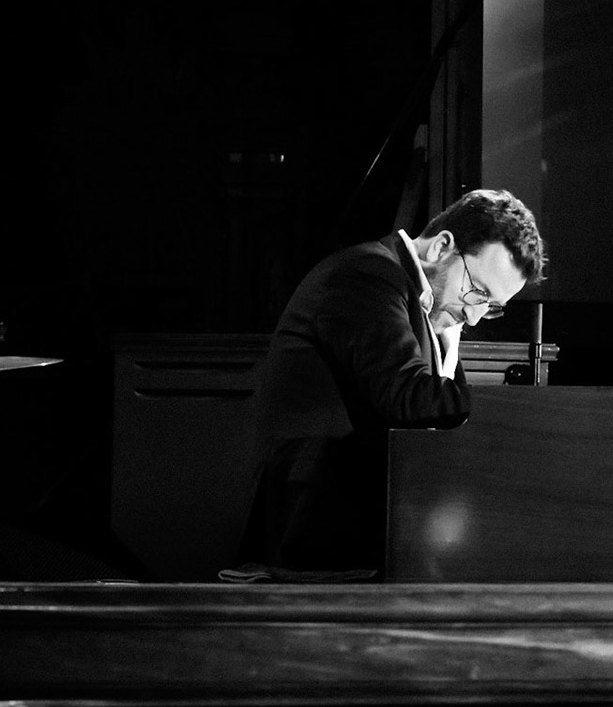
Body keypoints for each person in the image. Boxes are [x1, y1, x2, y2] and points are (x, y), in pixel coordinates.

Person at [233, 189, 545, 577]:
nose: (477, 316)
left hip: (361, 535)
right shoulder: (367, 275)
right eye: (478, 291)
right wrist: (525, 412)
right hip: (313, 536)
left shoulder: (428, 308)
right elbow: (409, 398)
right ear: (441, 247)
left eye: (492, 305)